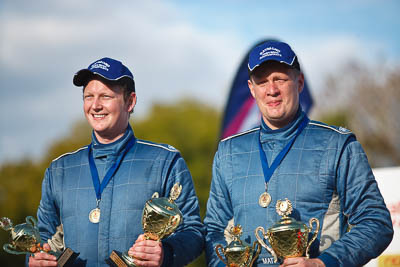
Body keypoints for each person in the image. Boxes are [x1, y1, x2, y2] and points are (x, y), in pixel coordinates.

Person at [204, 41, 393, 267]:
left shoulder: (338, 144)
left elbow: (376, 222)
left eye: (280, 79)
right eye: (262, 81)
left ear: (299, 82)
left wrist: (323, 263)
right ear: (252, 89)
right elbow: (214, 230)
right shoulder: (229, 151)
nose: (271, 90)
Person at [28, 57, 205, 267]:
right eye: (88, 96)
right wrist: (35, 258)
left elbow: (194, 232)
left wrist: (165, 253)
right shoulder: (60, 169)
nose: (95, 105)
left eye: (105, 96)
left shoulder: (164, 161)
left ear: (130, 102)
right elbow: (42, 239)